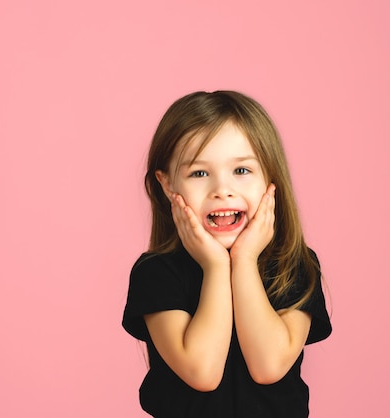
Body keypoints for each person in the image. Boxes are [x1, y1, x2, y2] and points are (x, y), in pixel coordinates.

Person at [122, 90, 332, 418]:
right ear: (166, 184)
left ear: (270, 179)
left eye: (242, 171)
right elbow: (202, 372)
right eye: (199, 173)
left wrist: (245, 261)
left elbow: (269, 366)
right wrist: (217, 266)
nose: (222, 189)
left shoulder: (294, 266)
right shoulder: (156, 273)